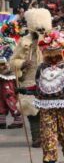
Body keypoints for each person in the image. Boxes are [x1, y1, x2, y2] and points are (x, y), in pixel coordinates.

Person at [17, 31, 64, 163]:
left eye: (56, 54)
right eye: (49, 55)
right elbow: (40, 87)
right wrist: (25, 90)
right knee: (48, 136)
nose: (53, 58)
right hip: (47, 107)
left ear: (62, 52)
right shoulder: (42, 68)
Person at [10, 8, 52, 148]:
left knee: (47, 111)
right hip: (29, 79)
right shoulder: (24, 41)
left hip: (49, 79)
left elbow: (63, 58)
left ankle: (48, 136)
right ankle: (36, 138)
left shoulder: (53, 39)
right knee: (32, 111)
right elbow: (13, 61)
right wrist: (22, 63)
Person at [0, 35, 23, 129]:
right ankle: (1, 120)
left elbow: (11, 62)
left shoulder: (8, 46)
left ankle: (18, 118)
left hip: (7, 76)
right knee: (0, 98)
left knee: (8, 96)